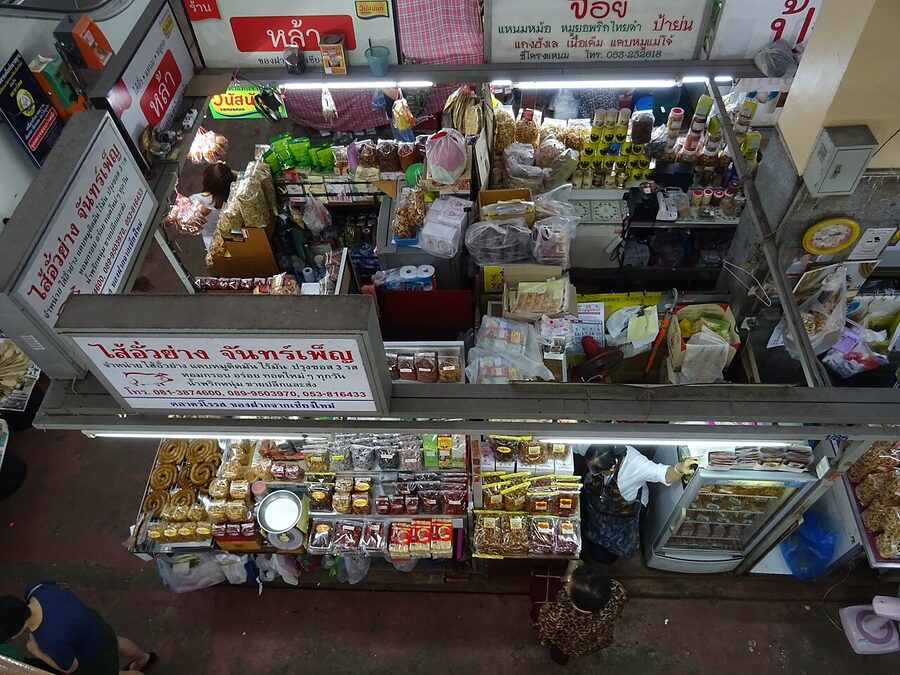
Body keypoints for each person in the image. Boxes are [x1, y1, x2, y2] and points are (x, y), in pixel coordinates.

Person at [575, 444, 699, 564]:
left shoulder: (636, 464)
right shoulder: (595, 450)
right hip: (599, 505)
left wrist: (679, 468)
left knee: (602, 556)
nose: (597, 475)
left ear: (613, 467)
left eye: (602, 473)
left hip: (623, 513)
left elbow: (663, 474)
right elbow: (572, 443)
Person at [0, 583, 156, 674]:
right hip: (94, 625)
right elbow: (59, 585)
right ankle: (143, 658)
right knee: (115, 641)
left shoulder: (50, 639)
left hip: (92, 652)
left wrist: (38, 653)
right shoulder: (35, 590)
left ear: (15, 632)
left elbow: (70, 667)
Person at [536, 563, 626, 665]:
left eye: (570, 582)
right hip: (600, 636)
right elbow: (620, 607)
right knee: (592, 645)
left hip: (570, 646)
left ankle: (560, 660)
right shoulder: (617, 590)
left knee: (559, 654)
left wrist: (545, 610)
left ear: (570, 595)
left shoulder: (559, 614)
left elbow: (548, 633)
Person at [190, 162, 236, 250]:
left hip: (213, 244)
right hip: (235, 235)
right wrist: (225, 172)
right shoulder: (234, 196)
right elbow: (241, 175)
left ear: (206, 182)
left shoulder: (195, 200)